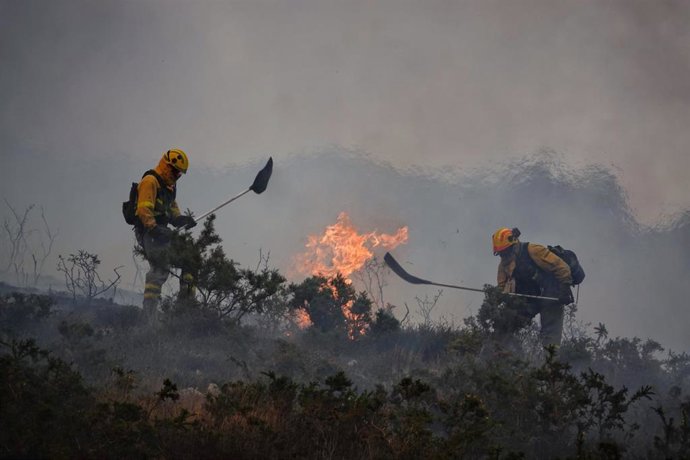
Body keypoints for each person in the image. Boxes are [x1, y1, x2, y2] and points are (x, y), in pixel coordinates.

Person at [135, 148, 197, 321]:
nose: (177, 176)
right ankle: (149, 318)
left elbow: (172, 210)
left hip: (162, 232)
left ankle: (186, 308)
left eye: (180, 174)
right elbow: (143, 209)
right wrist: (154, 228)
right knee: (160, 270)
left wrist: (182, 219)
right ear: (167, 165)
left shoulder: (169, 186)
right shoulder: (150, 181)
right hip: (149, 232)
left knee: (190, 260)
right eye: (176, 171)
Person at [492, 227, 574, 347]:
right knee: (505, 326)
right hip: (528, 298)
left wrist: (565, 287)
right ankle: (503, 357)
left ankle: (551, 364)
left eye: (505, 251)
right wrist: (498, 297)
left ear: (513, 246)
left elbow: (561, 266)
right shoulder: (504, 264)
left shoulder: (533, 250)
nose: (503, 255)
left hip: (551, 295)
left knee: (550, 339)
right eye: (501, 253)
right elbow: (502, 286)